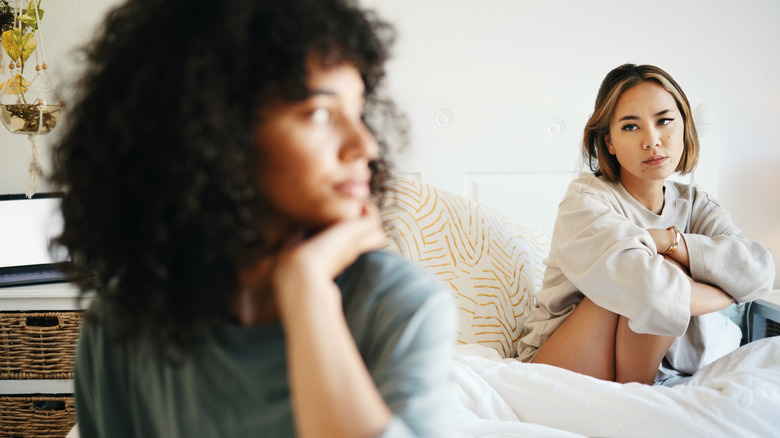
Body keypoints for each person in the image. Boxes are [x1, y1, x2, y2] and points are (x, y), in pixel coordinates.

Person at [51, 0, 457, 436]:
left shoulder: (399, 306)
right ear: (215, 129)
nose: (364, 145)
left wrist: (307, 289)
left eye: (358, 113)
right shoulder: (121, 324)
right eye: (320, 113)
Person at [517, 63, 775, 385]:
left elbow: (760, 268)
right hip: (556, 365)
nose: (652, 141)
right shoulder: (585, 201)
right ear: (608, 141)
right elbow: (652, 293)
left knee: (665, 265)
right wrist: (727, 291)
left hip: (652, 370)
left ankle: (640, 398)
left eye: (664, 120)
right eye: (630, 127)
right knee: (648, 276)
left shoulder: (695, 203)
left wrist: (673, 242)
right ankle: (638, 401)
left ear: (684, 125)